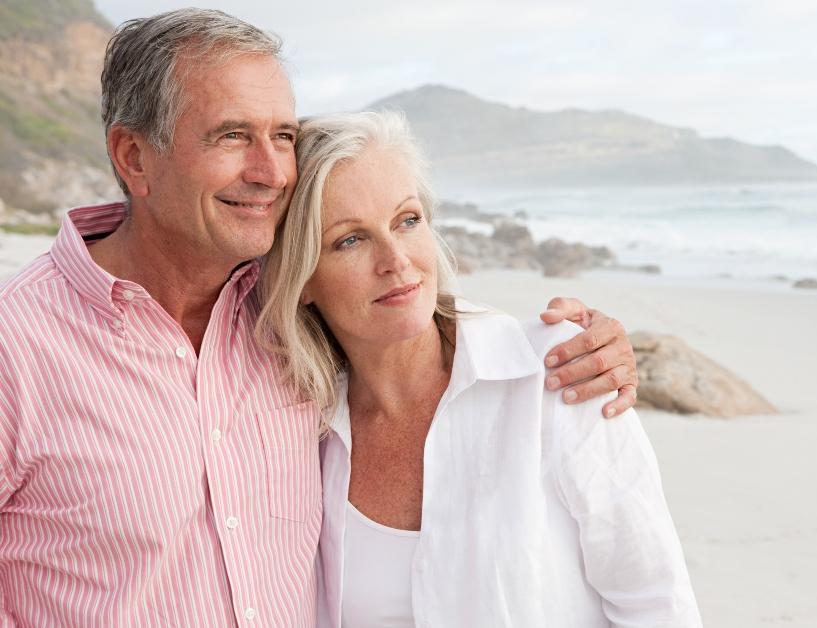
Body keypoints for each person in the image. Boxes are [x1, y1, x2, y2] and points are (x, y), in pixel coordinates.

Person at [0, 9, 638, 626]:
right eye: (231, 136)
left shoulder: (285, 315)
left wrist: (573, 341)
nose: (272, 171)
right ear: (134, 157)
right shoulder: (17, 346)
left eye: (281, 135)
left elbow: (401, 309)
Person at [256, 111, 701, 627]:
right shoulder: (299, 431)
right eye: (350, 240)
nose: (396, 260)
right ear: (301, 278)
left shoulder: (558, 373)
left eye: (407, 220)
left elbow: (657, 604)